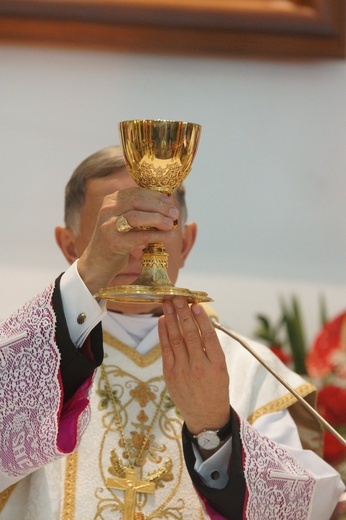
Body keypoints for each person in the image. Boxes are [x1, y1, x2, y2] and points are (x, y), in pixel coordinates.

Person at [0, 145, 344, 520]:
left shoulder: (248, 368)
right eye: (119, 227)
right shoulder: (33, 361)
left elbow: (301, 508)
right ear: (70, 245)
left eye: (157, 227)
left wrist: (215, 429)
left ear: (186, 241)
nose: (138, 249)